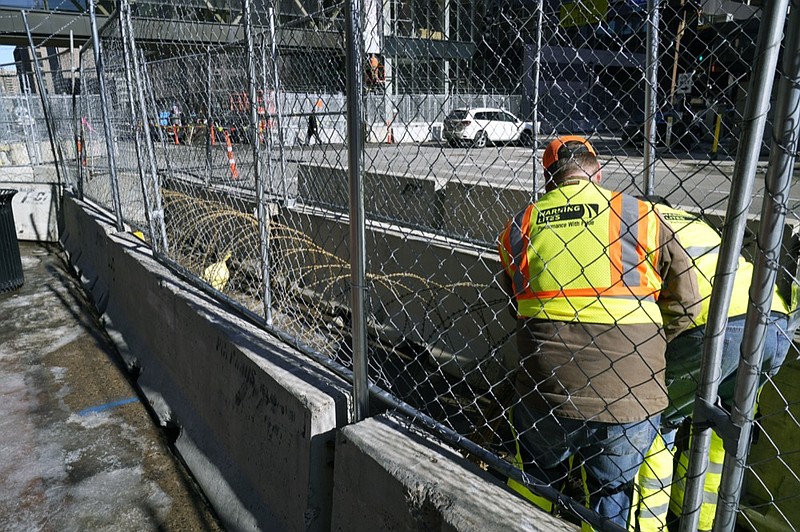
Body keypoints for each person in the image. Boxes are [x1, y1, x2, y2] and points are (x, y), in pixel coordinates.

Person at [497, 136, 701, 528]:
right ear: (599, 173)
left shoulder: (519, 225)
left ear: (548, 180)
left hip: (548, 390)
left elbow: (515, 304)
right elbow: (686, 303)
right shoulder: (640, 214)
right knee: (611, 494)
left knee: (537, 478)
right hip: (630, 396)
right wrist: (649, 351)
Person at [632, 197, 793, 531]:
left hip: (712, 323)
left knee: (655, 421)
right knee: (723, 427)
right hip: (771, 321)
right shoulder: (691, 223)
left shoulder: (634, 224)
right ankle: (698, 522)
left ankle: (646, 525)